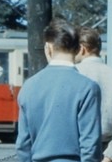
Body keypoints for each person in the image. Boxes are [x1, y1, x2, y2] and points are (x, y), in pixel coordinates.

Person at [15, 19, 102, 162]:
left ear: (48, 48)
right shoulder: (88, 87)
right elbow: (90, 144)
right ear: (78, 49)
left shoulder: (28, 86)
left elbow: (23, 144)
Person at [75, 27, 112, 162]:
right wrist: (109, 156)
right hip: (106, 149)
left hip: (78, 150)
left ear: (82, 48)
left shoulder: (74, 74)